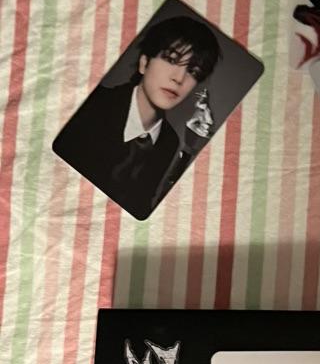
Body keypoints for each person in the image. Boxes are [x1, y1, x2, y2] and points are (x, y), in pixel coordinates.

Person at [53, 15, 222, 219]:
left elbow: (141, 210)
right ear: (144, 63)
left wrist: (189, 149)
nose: (179, 78)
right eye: (171, 59)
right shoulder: (90, 104)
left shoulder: (170, 142)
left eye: (194, 71)